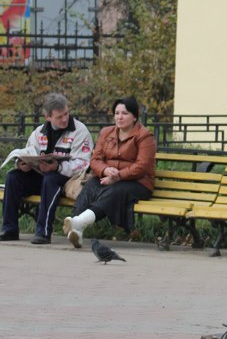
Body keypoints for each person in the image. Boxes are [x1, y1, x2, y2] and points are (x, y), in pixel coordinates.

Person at [0, 92, 93, 245]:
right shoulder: (38, 133)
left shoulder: (80, 131)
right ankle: (9, 229)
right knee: (13, 177)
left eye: (66, 114)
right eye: (59, 117)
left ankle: (43, 232)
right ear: (48, 117)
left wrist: (58, 167)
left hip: (67, 180)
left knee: (50, 180)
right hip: (41, 176)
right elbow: (28, 153)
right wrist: (22, 165)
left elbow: (84, 163)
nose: (64, 119)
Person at [63, 96, 155, 249]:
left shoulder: (145, 136)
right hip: (108, 178)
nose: (119, 117)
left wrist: (118, 176)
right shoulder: (106, 133)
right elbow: (95, 159)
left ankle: (79, 223)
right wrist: (105, 170)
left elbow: (142, 166)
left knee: (115, 191)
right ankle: (76, 230)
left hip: (138, 183)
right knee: (91, 185)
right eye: (117, 113)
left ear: (134, 117)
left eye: (124, 113)